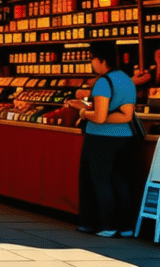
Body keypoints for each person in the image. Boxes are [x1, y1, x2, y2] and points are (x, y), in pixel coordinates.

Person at [67, 42, 137, 237]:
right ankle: (126, 227)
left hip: (100, 138)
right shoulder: (126, 79)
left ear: (101, 60)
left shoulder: (103, 82)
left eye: (92, 58)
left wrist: (81, 110)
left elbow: (99, 116)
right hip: (125, 138)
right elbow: (127, 115)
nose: (92, 63)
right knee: (120, 180)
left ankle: (105, 225)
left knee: (98, 181)